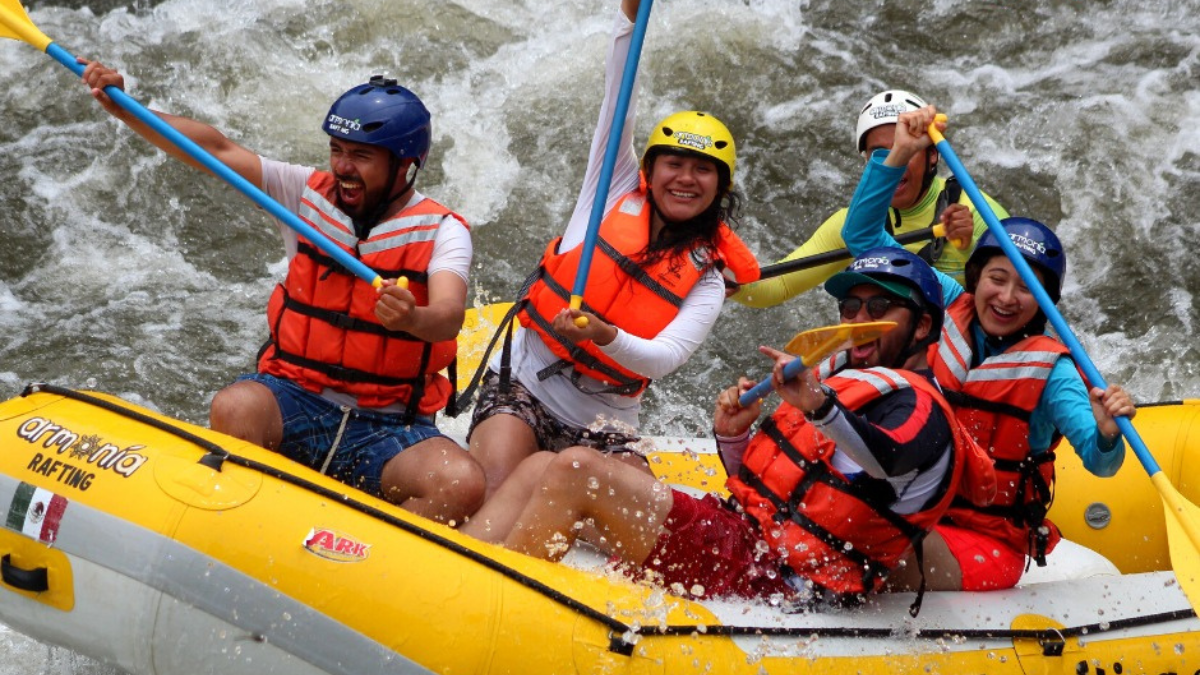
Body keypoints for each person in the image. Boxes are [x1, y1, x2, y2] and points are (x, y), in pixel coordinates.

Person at [463, 248, 993, 607]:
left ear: (923, 325)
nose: (857, 317)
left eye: (879, 306)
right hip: (746, 543)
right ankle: (457, 573)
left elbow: (892, 459)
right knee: (540, 466)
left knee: (579, 468)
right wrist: (735, 436)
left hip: (784, 580)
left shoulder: (921, 408)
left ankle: (491, 608)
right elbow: (775, 493)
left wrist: (818, 406)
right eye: (850, 304)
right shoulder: (849, 388)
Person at [79, 63, 485, 524]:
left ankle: (366, 561)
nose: (343, 168)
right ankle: (248, 528)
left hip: (389, 427)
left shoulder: (442, 230)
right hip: (297, 398)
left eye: (361, 156)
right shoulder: (303, 193)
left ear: (404, 165)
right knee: (234, 406)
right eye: (336, 150)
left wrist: (413, 318)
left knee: (460, 483)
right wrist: (124, 108)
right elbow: (213, 148)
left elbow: (449, 315)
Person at [465, 0, 759, 500]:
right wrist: (628, 17)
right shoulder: (612, 187)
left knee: (647, 524)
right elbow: (618, 95)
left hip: (605, 421)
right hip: (524, 386)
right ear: (650, 169)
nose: (685, 178)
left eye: (703, 170)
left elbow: (662, 358)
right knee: (489, 492)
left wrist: (605, 336)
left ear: (720, 187)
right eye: (674, 163)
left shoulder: (708, 277)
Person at [840, 104, 1136, 591]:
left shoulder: (1052, 370)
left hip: (986, 539)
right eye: (997, 279)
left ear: (1043, 302)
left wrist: (1107, 432)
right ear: (974, 280)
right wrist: (900, 153)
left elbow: (1102, 463)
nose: (1006, 297)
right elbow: (863, 238)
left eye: (1026, 288)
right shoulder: (946, 302)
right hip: (913, 504)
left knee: (877, 546)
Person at [731, 89, 1009, 309]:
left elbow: (1016, 297)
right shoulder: (850, 224)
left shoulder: (976, 211)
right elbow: (775, 287)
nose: (894, 161)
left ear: (932, 154)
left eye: (904, 150)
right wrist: (725, 277)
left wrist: (970, 249)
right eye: (879, 153)